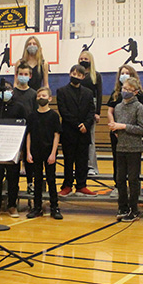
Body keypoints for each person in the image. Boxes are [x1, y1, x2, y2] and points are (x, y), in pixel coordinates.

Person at [0, 82, 29, 217]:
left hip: (13, 148)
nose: (6, 92)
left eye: (8, 89)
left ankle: (12, 205)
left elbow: (25, 128)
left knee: (13, 179)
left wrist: (22, 149)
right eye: (3, 89)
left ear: (12, 91)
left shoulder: (19, 107)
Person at [108, 76, 143, 221]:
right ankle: (122, 206)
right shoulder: (118, 107)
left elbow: (142, 129)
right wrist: (115, 129)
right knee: (120, 178)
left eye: (129, 90)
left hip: (134, 148)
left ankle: (133, 208)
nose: (126, 91)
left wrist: (123, 127)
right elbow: (117, 127)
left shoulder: (138, 107)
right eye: (124, 88)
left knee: (133, 178)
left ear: (135, 92)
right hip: (121, 147)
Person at [57, 64, 97, 196]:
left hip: (84, 132)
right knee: (68, 160)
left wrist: (86, 124)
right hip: (69, 131)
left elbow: (91, 111)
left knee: (82, 160)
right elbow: (63, 111)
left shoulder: (88, 92)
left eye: (79, 75)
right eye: (74, 74)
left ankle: (81, 185)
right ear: (70, 74)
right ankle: (67, 185)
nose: (76, 76)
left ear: (83, 77)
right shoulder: (62, 91)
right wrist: (77, 124)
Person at [26, 87, 62, 219]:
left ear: (50, 98)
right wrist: (28, 152)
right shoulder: (32, 116)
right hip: (35, 152)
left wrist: (53, 153)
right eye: (39, 95)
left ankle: (55, 207)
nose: (41, 98)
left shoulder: (53, 116)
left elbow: (56, 135)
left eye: (44, 95)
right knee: (37, 180)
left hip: (49, 152)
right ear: (36, 98)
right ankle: (37, 207)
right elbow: (28, 135)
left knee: (51, 179)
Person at [13, 62, 38, 194]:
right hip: (15, 131)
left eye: (25, 74)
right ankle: (14, 185)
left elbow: (35, 112)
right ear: (17, 75)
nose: (23, 76)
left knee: (30, 159)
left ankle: (30, 183)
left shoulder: (34, 94)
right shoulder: (12, 93)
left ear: (30, 76)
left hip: (29, 130)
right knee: (15, 159)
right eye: (20, 74)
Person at [78, 50, 102, 176]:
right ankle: (80, 165)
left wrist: (97, 112)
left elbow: (99, 94)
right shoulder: (77, 75)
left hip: (91, 107)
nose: (83, 61)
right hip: (79, 106)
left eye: (86, 59)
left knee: (91, 139)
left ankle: (92, 166)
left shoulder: (95, 75)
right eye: (81, 58)